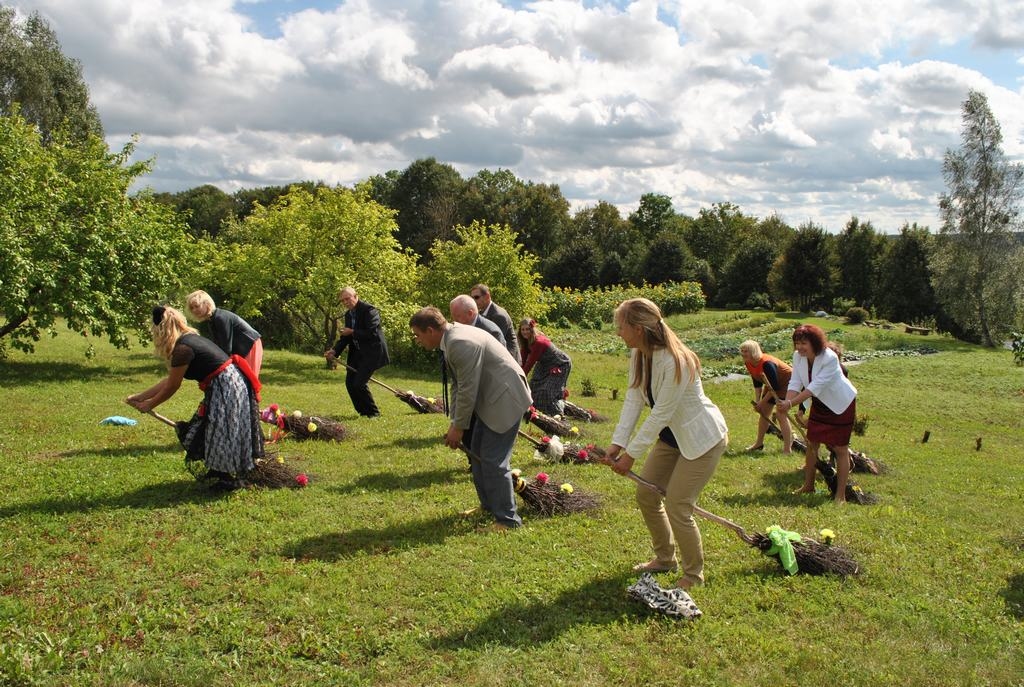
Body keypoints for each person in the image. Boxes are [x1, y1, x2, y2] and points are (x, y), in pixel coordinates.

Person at [604, 298, 729, 591]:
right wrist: (617, 444)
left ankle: (694, 575)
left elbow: (661, 413)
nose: (618, 333)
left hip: (702, 439)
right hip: (672, 437)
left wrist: (631, 456)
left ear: (637, 328)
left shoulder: (677, 360)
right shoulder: (639, 354)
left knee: (678, 504)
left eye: (620, 327)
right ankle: (664, 558)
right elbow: (634, 398)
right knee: (647, 495)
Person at [410, 307, 532, 531]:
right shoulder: (451, 337)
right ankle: (489, 506)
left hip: (505, 398)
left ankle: (508, 520)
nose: (417, 340)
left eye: (417, 335)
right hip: (493, 398)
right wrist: (456, 422)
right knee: (476, 452)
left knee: (494, 461)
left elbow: (468, 388)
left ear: (430, 330)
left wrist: (459, 427)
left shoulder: (459, 343)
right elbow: (458, 386)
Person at [126, 306, 264, 491]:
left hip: (227, 385)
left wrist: (149, 404)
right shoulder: (188, 340)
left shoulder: (183, 348)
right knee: (209, 428)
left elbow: (173, 386)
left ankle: (230, 478)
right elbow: (170, 380)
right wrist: (139, 397)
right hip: (227, 383)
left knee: (222, 431)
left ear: (161, 331)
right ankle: (219, 471)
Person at [776, 324, 858, 505]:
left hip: (840, 404)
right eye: (797, 343)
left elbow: (815, 387)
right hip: (820, 404)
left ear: (815, 342)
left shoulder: (829, 357)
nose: (799, 347)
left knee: (840, 449)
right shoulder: (798, 357)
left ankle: (840, 495)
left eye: (804, 343)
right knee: (812, 443)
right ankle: (808, 485)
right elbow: (796, 382)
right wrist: (785, 404)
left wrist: (791, 403)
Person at [325, 287, 390, 417]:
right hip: (357, 353)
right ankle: (363, 412)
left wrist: (353, 332)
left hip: (373, 352)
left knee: (359, 383)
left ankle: (373, 414)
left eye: (347, 299)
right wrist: (334, 351)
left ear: (355, 296)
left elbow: (371, 332)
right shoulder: (348, 314)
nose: (345, 302)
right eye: (343, 301)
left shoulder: (370, 311)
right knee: (350, 383)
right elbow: (346, 337)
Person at [185, 290, 264, 380]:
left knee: (249, 381)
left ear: (207, 304)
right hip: (242, 346)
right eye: (192, 308)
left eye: (197, 306)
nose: (194, 310)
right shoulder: (212, 320)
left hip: (249, 344)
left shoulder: (220, 318)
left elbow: (226, 348)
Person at [739, 339, 793, 454]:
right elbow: (757, 383)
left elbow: (775, 386)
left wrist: (761, 403)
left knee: (780, 414)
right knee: (764, 413)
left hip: (787, 383)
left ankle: (787, 449)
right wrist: (758, 401)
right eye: (742, 351)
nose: (743, 353)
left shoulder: (767, 364)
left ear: (753, 352)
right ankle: (759, 444)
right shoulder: (749, 363)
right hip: (771, 385)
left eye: (746, 351)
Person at [516, 318, 572, 416]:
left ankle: (558, 413)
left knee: (547, 392)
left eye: (527, 329)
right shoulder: (526, 341)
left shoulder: (538, 342)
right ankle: (536, 410)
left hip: (560, 363)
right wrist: (517, 373)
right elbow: (523, 360)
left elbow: (529, 364)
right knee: (533, 386)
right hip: (545, 364)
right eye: (522, 329)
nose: (525, 332)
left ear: (532, 330)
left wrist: (520, 378)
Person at [470, 284, 520, 361]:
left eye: (476, 297)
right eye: (472, 298)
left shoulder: (499, 315)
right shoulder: (482, 313)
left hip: (509, 361)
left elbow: (496, 342)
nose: (474, 301)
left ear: (487, 296)